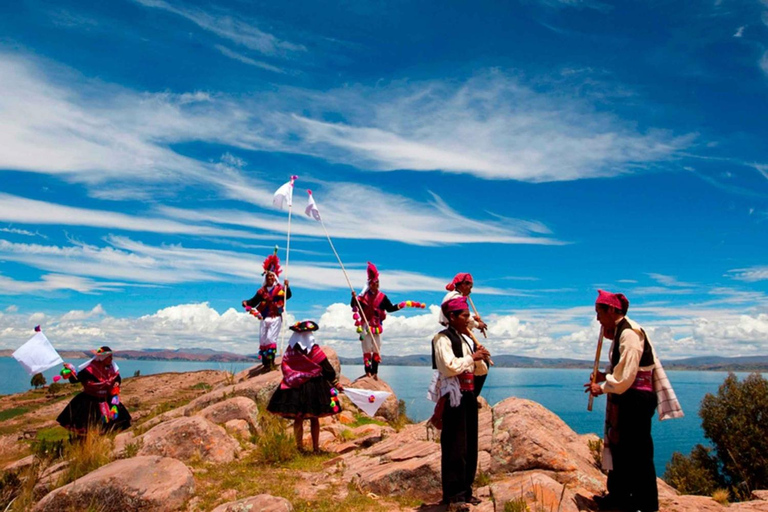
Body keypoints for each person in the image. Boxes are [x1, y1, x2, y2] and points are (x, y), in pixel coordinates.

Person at [585, 290, 680, 512]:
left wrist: (603, 386)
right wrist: (604, 375)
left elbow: (626, 376)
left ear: (611, 310)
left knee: (637, 452)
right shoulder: (620, 332)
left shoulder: (630, 333)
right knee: (620, 447)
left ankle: (645, 504)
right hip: (627, 396)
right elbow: (623, 369)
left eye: (599, 312)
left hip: (636, 399)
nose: (597, 318)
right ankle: (619, 497)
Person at [430, 296, 490, 509]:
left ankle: (466, 490)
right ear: (452, 317)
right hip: (454, 398)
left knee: (469, 445)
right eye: (464, 316)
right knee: (454, 445)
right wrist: (472, 358)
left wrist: (481, 359)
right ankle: (453, 495)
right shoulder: (442, 338)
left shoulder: (466, 339)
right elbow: (448, 367)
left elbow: (478, 370)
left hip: (468, 397)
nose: (468, 319)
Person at [267, 320, 342, 452]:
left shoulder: (291, 351)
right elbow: (326, 368)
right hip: (314, 387)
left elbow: (285, 367)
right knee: (314, 418)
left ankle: (299, 447)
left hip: (295, 387)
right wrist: (334, 382)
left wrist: (295, 376)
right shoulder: (314, 350)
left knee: (298, 418)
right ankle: (315, 448)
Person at [56, 346, 131, 436]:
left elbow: (117, 378)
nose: (111, 359)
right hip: (90, 400)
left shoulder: (112, 369)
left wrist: (117, 383)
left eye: (111, 357)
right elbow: (75, 380)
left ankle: (103, 440)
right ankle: (88, 442)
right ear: (102, 358)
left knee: (112, 422)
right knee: (90, 424)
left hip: (107, 399)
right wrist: (70, 371)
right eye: (109, 357)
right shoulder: (90, 370)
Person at [439, 273, 490, 397]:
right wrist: (478, 325)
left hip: (458, 332)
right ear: (463, 284)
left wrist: (474, 320)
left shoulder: (454, 296)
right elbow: (460, 316)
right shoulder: (455, 297)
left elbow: (463, 316)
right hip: (457, 334)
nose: (470, 290)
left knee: (477, 364)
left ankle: (468, 395)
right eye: (469, 286)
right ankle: (471, 395)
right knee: (482, 362)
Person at [350, 262, 402, 379]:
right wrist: (353, 298)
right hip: (365, 325)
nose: (377, 285)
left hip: (376, 326)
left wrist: (401, 305)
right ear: (370, 284)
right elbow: (355, 305)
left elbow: (390, 308)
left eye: (378, 282)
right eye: (375, 283)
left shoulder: (382, 297)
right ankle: (368, 371)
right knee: (367, 349)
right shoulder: (363, 297)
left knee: (377, 349)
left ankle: (375, 372)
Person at [242, 253, 292, 371]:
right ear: (265, 278)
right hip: (264, 317)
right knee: (263, 339)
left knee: (270, 339)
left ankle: (271, 363)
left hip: (275, 317)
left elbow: (287, 296)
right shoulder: (262, 291)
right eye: (268, 276)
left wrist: (287, 287)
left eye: (272, 276)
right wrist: (246, 303)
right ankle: (265, 363)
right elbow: (254, 301)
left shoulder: (280, 289)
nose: (270, 278)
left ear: (275, 277)